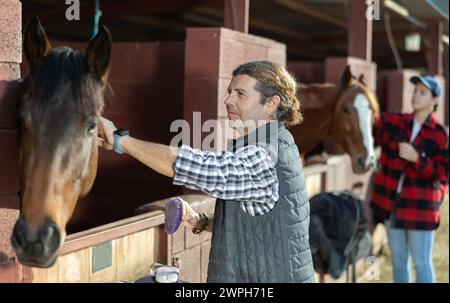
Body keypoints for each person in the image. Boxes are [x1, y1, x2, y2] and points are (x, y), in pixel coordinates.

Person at [98, 61, 315, 283]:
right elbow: (257, 225)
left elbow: (198, 168)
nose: (228, 100)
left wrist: (121, 141)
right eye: (230, 92)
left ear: (271, 104)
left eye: (241, 94)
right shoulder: (277, 143)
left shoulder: (265, 156)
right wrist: (200, 221)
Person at [370, 75, 449, 283]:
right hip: (391, 204)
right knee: (398, 261)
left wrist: (418, 158)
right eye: (415, 91)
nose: (416, 95)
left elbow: (443, 173)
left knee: (422, 262)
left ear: (434, 101)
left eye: (423, 92)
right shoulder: (395, 122)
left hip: (420, 208)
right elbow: (372, 124)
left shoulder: (440, 134)